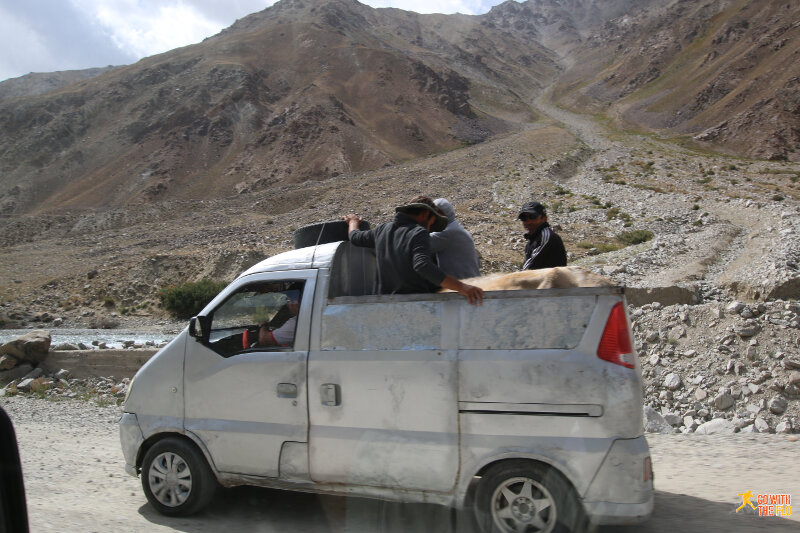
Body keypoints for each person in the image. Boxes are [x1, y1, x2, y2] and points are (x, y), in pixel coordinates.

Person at [344, 196, 484, 305]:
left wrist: (352, 222)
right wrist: (462, 287)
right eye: (431, 222)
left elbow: (355, 237)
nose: (429, 228)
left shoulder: (381, 230)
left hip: (387, 303)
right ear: (424, 214)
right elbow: (422, 265)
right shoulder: (418, 232)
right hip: (417, 303)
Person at [429, 198, 480, 279]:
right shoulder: (454, 226)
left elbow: (421, 242)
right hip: (470, 280)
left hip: (463, 282)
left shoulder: (448, 232)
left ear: (440, 213)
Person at [518, 201, 567, 270]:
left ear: (544, 219)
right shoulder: (534, 239)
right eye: (523, 218)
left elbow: (527, 270)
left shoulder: (545, 238)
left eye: (533, 217)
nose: (528, 222)